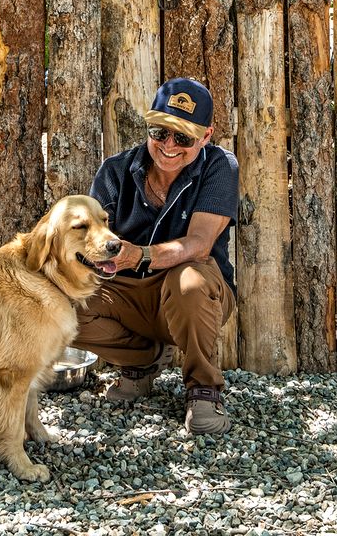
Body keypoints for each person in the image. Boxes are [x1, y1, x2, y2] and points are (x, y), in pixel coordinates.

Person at [75, 77, 239, 436]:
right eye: (159, 131)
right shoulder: (115, 171)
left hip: (195, 291)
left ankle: (203, 389)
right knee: (62, 305)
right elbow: (93, 241)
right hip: (128, 295)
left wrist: (139, 255)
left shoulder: (219, 167)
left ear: (207, 135)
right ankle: (142, 362)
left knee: (189, 281)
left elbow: (198, 244)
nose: (168, 145)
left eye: (183, 138)